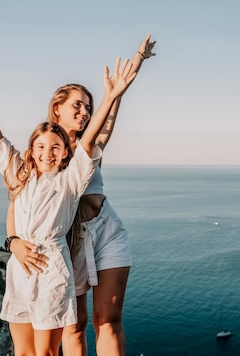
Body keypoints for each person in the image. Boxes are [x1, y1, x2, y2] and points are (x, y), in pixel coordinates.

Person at [0, 54, 139, 356]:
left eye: (55, 148)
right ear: (31, 149)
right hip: (23, 263)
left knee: (50, 347)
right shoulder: (22, 174)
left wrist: (113, 95)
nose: (48, 152)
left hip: (58, 258)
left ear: (66, 155)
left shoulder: (71, 178)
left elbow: (97, 133)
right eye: (41, 147)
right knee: (28, 348)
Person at [8, 35, 156, 356]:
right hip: (68, 241)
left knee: (109, 319)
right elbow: (18, 200)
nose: (84, 111)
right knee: (74, 325)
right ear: (56, 108)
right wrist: (13, 241)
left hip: (106, 230)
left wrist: (137, 61)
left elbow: (109, 113)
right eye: (77, 104)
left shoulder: (91, 147)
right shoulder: (44, 152)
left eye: (88, 107)